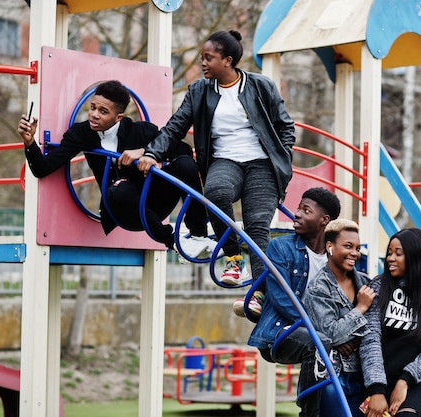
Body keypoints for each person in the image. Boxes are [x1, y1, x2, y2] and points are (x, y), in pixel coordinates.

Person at [120, 29, 295, 313]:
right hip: (225, 160)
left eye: (208, 58)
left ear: (227, 60)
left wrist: (283, 156)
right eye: (202, 57)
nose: (202, 63)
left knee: (257, 227)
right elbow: (175, 127)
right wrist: (152, 153)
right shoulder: (199, 91)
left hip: (263, 164)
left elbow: (285, 126)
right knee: (214, 192)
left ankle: (259, 296)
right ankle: (234, 256)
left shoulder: (261, 86)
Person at [17, 80, 216, 258]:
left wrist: (147, 153)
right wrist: (29, 142)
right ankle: (172, 242)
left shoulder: (140, 131)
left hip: (154, 201)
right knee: (121, 186)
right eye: (92, 107)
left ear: (118, 117)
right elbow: (43, 168)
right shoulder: (81, 133)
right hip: (121, 208)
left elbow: (183, 150)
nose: (94, 115)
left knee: (184, 164)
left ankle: (198, 234)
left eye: (103, 111)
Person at [248, 187, 341, 417]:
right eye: (299, 208)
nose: (297, 214)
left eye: (305, 210)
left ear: (323, 220)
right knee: (318, 342)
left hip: (319, 336)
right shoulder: (281, 247)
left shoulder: (334, 259)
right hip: (278, 335)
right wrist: (317, 326)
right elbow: (281, 297)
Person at [359, 228, 421, 417]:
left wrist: (405, 380)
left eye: (398, 254)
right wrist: (377, 389)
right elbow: (370, 340)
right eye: (389, 253)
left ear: (416, 256)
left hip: (416, 381)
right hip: (376, 380)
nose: (390, 258)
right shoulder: (377, 287)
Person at [303, 218, 375, 417]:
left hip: (364, 375)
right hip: (333, 376)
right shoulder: (319, 287)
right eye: (348, 246)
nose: (355, 253)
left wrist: (350, 337)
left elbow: (376, 328)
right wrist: (360, 308)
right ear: (330, 247)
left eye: (358, 248)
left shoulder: (366, 284)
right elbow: (330, 334)